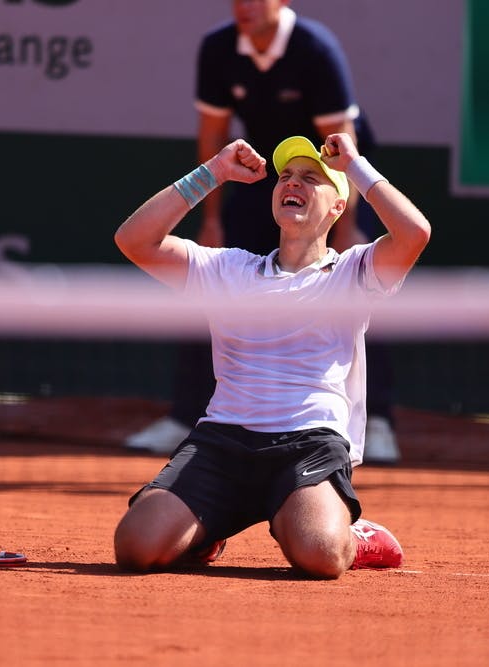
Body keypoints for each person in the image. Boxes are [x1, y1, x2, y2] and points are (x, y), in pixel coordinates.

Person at [112, 132, 431, 577]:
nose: (292, 183)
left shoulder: (355, 271)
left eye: (310, 178)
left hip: (308, 444)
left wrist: (354, 166)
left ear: (338, 206)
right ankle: (207, 531)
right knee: (135, 548)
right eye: (285, 176)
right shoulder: (228, 268)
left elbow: (415, 232)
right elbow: (134, 240)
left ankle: (353, 539)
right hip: (221, 442)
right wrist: (214, 172)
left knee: (319, 556)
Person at [124, 0, 401, 464]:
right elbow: (212, 132)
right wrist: (212, 217)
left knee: (366, 283)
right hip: (266, 176)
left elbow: (343, 138)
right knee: (210, 285)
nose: (245, 6)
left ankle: (380, 421)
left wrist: (346, 224)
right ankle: (183, 415)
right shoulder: (218, 47)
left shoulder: (315, 49)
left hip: (330, 175)